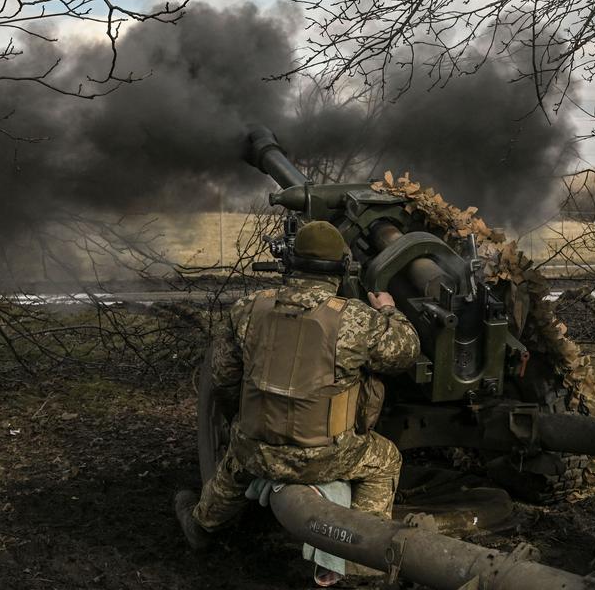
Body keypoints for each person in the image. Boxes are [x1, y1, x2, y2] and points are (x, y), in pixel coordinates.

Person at [174, 220, 421, 563]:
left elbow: (222, 379)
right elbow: (406, 352)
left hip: (256, 450)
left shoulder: (249, 308)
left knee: (237, 457)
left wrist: (248, 421)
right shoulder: (356, 320)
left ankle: (202, 525)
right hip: (324, 458)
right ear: (339, 267)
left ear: (290, 264)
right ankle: (361, 556)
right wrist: (388, 309)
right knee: (386, 460)